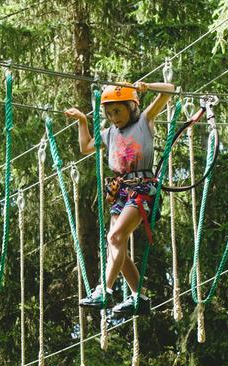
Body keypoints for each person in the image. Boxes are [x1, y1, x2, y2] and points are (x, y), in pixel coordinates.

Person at [65, 79, 176, 316]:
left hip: (143, 188)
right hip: (120, 191)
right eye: (109, 113)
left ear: (131, 107)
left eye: (118, 111)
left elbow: (169, 91)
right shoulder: (109, 134)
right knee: (116, 244)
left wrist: (148, 86)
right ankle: (139, 297)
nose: (114, 117)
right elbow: (85, 147)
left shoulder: (144, 121)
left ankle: (104, 290)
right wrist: (82, 121)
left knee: (115, 237)